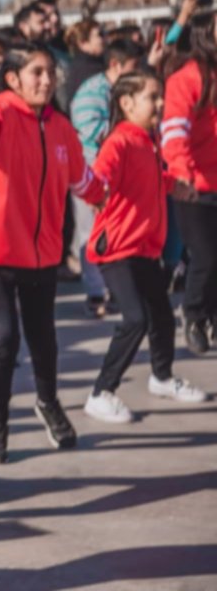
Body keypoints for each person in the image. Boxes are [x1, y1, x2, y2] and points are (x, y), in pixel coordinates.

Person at [0, 42, 105, 464]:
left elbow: (83, 180)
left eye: (50, 73)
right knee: (4, 338)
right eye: (37, 73)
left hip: (43, 255)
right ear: (13, 79)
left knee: (43, 337)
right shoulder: (0, 113)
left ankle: (48, 403)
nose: (47, 81)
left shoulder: (60, 126)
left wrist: (114, 194)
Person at [82, 71, 207, 423]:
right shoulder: (119, 142)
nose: (160, 104)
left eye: (159, 97)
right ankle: (101, 392)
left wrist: (173, 184)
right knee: (135, 319)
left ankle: (163, 378)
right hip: (117, 251)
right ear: (126, 103)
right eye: (152, 97)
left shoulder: (146, 139)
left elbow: (148, 179)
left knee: (163, 317)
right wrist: (97, 188)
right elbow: (102, 174)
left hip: (144, 249)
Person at [70, 39, 145, 317]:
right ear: (115, 65)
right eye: (133, 67)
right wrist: (127, 130)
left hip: (122, 166)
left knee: (117, 229)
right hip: (91, 166)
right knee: (91, 230)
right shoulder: (91, 92)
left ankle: (117, 288)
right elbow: (88, 128)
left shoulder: (127, 90)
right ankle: (95, 291)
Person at [162, 10, 217, 356]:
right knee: (206, 256)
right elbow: (174, 129)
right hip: (193, 185)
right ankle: (193, 315)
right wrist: (181, 170)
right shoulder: (186, 78)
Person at [58, 19, 106, 112]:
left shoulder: (94, 63)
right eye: (100, 35)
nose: (104, 39)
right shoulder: (86, 69)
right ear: (83, 43)